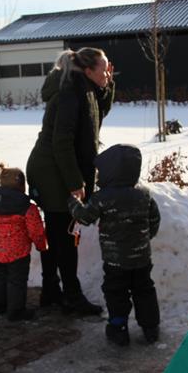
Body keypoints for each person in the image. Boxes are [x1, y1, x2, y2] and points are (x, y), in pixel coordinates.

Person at [26, 47, 114, 315]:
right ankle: (71, 297)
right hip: (53, 170)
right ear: (88, 71)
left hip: (59, 167)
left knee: (57, 233)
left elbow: (97, 113)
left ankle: (51, 291)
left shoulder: (84, 89)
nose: (108, 73)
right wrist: (75, 182)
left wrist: (108, 86)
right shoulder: (70, 94)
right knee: (64, 236)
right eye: (104, 69)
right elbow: (61, 142)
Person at [68, 144, 161, 346]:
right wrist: (145, 238)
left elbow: (84, 217)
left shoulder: (103, 198)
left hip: (115, 261)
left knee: (116, 292)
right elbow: (154, 219)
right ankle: (151, 328)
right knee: (144, 290)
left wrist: (73, 202)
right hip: (142, 258)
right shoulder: (144, 194)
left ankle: (118, 329)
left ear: (111, 172)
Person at [0, 165, 47, 321]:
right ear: (22, 185)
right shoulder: (27, 207)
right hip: (18, 253)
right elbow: (36, 231)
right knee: (16, 281)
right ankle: (16, 311)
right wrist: (42, 245)